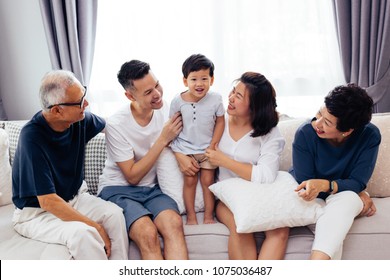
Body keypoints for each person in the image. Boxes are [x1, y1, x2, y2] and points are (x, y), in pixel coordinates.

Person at [11, 70, 128, 260]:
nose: (87, 104)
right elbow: (48, 201)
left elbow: (113, 125)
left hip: (74, 199)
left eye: (84, 95)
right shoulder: (31, 138)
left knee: (114, 215)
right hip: (37, 213)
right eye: (81, 101)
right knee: (83, 233)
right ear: (57, 110)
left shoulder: (79, 120)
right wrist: (96, 226)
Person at [182, 71, 288, 259]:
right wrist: (178, 155)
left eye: (238, 96)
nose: (230, 98)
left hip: (260, 194)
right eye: (232, 92)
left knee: (280, 231)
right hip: (227, 198)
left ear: (254, 106)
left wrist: (224, 160)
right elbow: (184, 138)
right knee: (241, 226)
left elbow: (266, 175)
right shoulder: (216, 120)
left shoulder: (270, 132)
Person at [98, 60, 188, 260]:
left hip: (152, 190)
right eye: (148, 92)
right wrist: (163, 139)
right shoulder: (117, 124)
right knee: (147, 234)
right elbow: (132, 177)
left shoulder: (167, 109)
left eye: (156, 85)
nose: (157, 94)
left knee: (173, 223)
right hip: (117, 190)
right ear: (130, 96)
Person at [289, 83, 381, 260]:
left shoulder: (370, 136)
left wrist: (328, 184)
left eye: (328, 122)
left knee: (346, 200)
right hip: (311, 198)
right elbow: (306, 183)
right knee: (347, 202)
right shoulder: (305, 133)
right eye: (319, 113)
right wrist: (354, 189)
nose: (318, 123)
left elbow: (358, 181)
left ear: (347, 131)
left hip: (339, 196)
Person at [169, 54, 225, 225]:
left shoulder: (216, 99)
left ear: (212, 79)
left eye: (204, 78)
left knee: (208, 181)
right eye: (194, 79)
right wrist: (178, 151)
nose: (199, 84)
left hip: (207, 149)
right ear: (185, 81)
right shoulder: (178, 101)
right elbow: (172, 127)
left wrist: (214, 144)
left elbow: (221, 120)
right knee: (190, 181)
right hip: (186, 150)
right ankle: (191, 216)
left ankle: (209, 216)